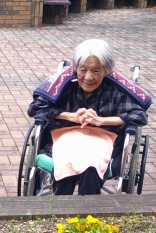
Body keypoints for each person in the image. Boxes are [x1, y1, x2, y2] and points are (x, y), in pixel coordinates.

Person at [27, 39, 148, 195]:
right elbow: (36, 108)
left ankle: (88, 209)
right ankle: (59, 207)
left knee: (91, 168)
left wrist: (100, 121)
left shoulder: (115, 91)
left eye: (96, 71)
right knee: (66, 165)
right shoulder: (65, 87)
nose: (88, 77)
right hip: (67, 139)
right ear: (75, 68)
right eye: (83, 70)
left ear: (106, 70)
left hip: (103, 142)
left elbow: (139, 116)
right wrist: (71, 117)